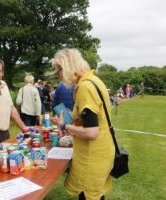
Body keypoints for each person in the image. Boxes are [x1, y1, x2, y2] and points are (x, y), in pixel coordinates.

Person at [51, 48, 114, 200]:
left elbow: (91, 132)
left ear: (66, 67)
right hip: (102, 151)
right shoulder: (94, 80)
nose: (57, 75)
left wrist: (63, 125)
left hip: (92, 156)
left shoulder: (85, 87)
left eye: (57, 70)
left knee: (88, 195)